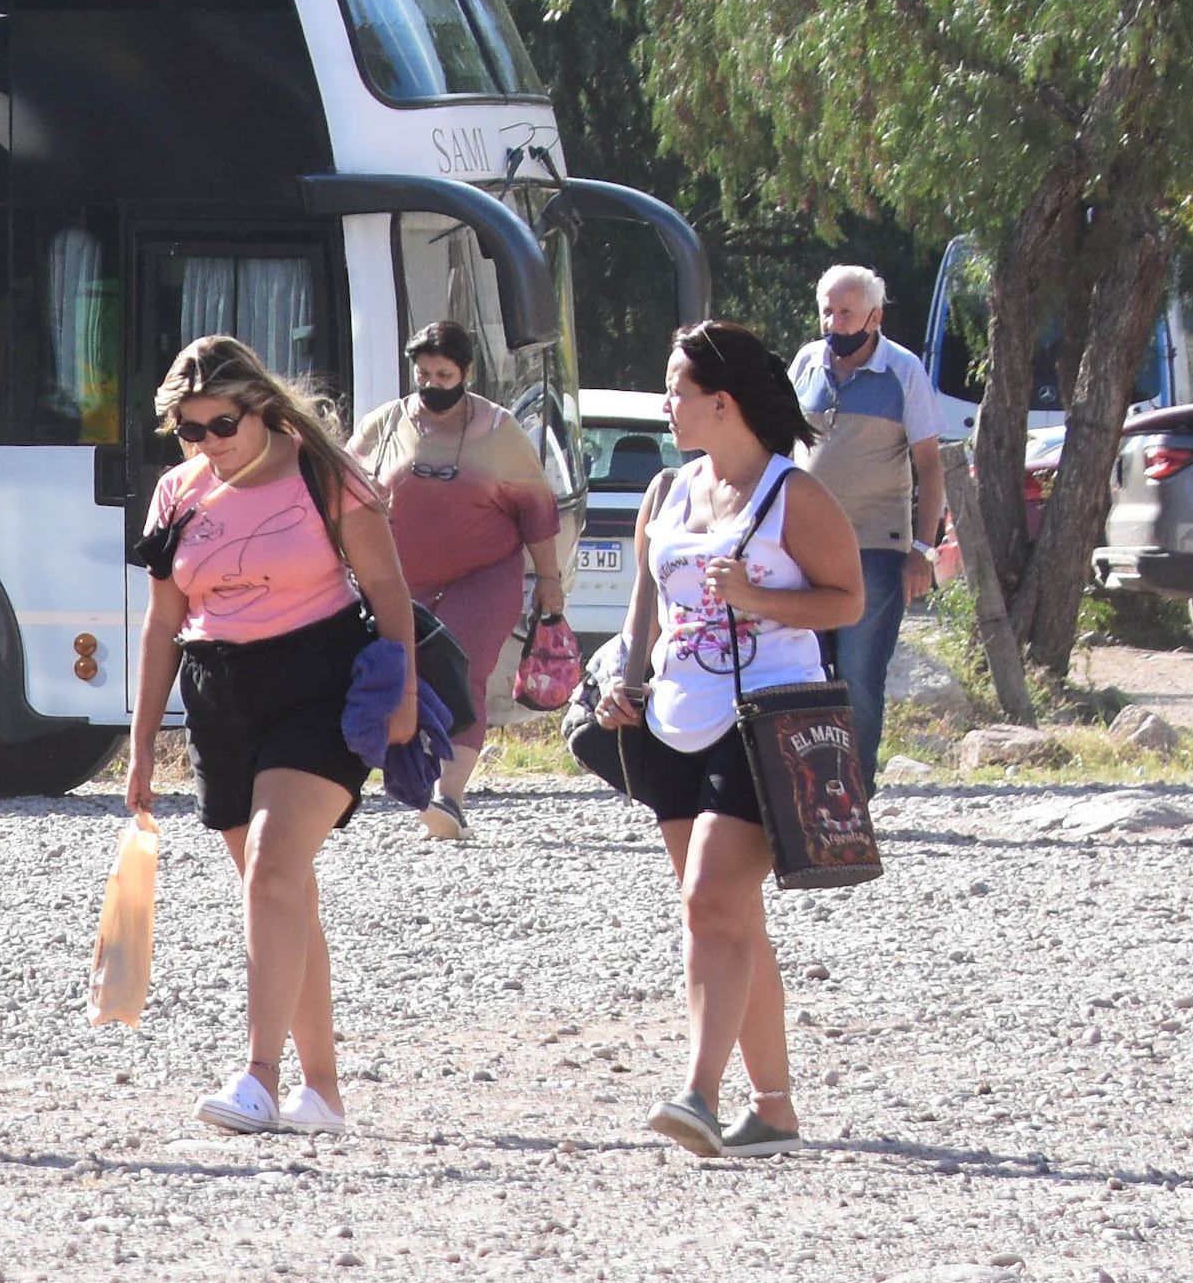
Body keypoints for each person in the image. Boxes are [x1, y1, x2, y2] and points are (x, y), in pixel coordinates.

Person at [119, 334, 420, 1141]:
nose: (208, 443)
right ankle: (322, 1092)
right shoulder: (177, 495)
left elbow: (389, 589)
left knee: (274, 870)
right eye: (190, 430)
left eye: (222, 424)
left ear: (260, 409)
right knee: (278, 889)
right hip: (219, 693)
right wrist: (143, 742)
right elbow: (161, 625)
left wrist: (408, 695)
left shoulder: (326, 475)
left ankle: (260, 1074)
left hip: (317, 681)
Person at [593, 319, 870, 1157]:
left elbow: (847, 602)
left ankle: (699, 1093)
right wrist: (625, 677)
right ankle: (775, 1109)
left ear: (723, 401)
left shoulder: (797, 495)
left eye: (677, 389)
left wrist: (759, 597)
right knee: (723, 913)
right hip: (673, 717)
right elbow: (647, 596)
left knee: (710, 898)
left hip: (768, 722)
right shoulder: (667, 490)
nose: (666, 403)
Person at [348, 319, 567, 841]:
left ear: (466, 373)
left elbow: (537, 510)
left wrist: (550, 580)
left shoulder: (500, 430)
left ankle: (450, 796)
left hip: (483, 577)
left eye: (443, 374)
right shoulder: (384, 425)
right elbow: (343, 491)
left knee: (462, 675)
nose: (431, 384)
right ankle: (405, 777)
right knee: (399, 676)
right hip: (399, 581)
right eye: (422, 373)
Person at [791, 265, 955, 792]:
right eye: (827, 311)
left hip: (876, 551)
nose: (835, 324)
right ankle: (805, 788)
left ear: (875, 317)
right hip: (802, 548)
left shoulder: (904, 372)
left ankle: (852, 791)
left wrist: (923, 550)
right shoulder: (805, 365)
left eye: (846, 313)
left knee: (860, 676)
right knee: (803, 672)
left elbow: (930, 467)